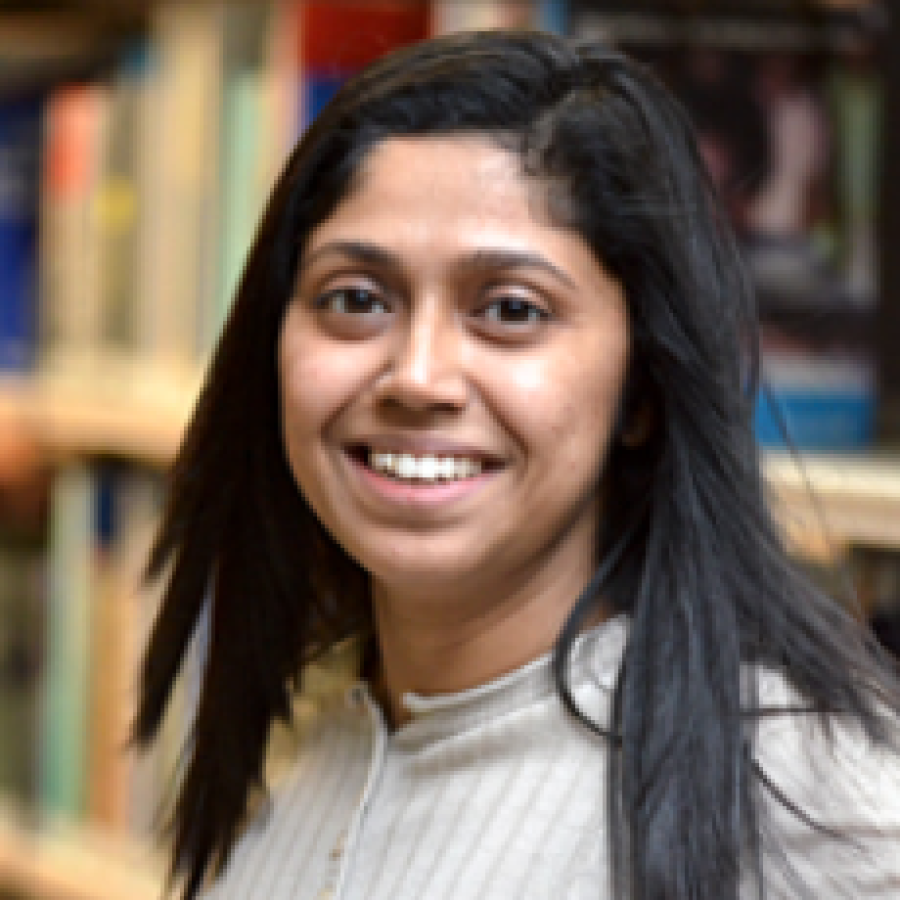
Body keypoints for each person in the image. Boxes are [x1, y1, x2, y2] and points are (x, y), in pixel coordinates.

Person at [134, 29, 900, 900]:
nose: (417, 376)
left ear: (641, 391)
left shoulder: (823, 817)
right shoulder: (290, 736)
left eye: (510, 309)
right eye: (356, 298)